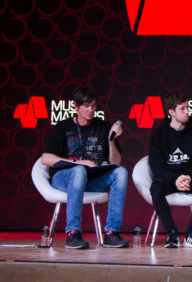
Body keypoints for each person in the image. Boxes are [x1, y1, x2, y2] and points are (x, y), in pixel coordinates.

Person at [41, 86, 129, 249]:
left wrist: (111, 139)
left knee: (121, 172)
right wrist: (78, 163)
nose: (91, 110)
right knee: (79, 171)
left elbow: (115, 163)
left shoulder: (103, 127)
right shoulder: (63, 127)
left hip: (91, 179)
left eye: (93, 106)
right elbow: (46, 158)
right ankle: (73, 233)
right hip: (64, 179)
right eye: (86, 106)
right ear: (76, 106)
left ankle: (111, 233)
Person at [148, 92, 192, 248]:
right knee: (156, 188)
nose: (187, 112)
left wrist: (188, 177)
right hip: (168, 179)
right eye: (182, 108)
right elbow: (156, 166)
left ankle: (191, 234)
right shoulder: (158, 134)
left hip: (190, 179)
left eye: (188, 107)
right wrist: (175, 179)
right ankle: (172, 234)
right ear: (171, 112)